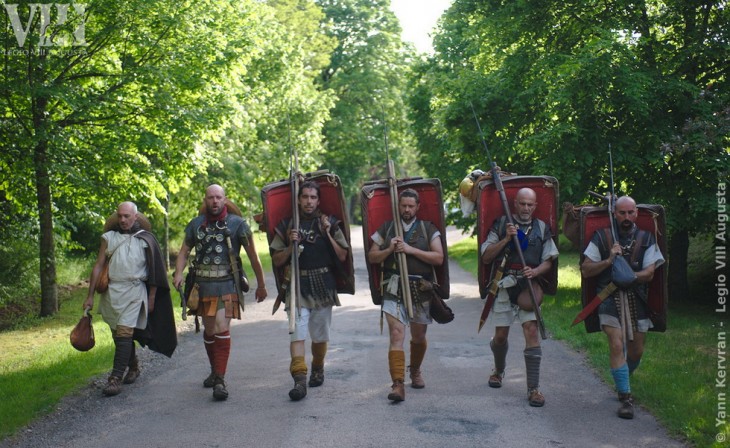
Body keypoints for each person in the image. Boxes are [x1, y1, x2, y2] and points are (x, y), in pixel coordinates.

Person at [173, 184, 267, 401]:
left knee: (221, 327)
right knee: (209, 331)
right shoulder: (196, 225)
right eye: (210, 198)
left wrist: (261, 285)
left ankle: (220, 381)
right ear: (205, 200)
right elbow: (184, 251)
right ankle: (215, 370)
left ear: (225, 199)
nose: (214, 201)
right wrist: (178, 273)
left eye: (218, 197)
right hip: (203, 285)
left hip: (227, 285)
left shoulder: (238, 225)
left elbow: (253, 256)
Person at [580, 196, 664, 419]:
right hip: (608, 297)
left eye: (630, 213)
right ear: (614, 214)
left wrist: (628, 275)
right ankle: (625, 397)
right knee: (617, 345)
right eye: (622, 213)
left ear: (636, 213)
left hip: (637, 298)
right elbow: (586, 269)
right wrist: (609, 260)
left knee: (636, 350)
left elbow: (649, 273)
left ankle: (623, 377)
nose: (626, 217)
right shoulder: (602, 237)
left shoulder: (647, 238)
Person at [84, 201, 176, 397]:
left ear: (135, 217)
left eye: (127, 216)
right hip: (111, 293)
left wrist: (151, 298)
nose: (123, 220)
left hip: (135, 292)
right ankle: (133, 365)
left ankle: (115, 378)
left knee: (125, 332)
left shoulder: (146, 240)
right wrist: (90, 295)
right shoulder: (108, 238)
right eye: (120, 216)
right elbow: (98, 266)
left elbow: (155, 272)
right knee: (119, 336)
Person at [270, 181, 350, 401]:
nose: (308, 201)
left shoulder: (330, 223)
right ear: (298, 199)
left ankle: (317, 366)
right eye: (304, 197)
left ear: (319, 200)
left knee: (320, 337)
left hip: (323, 285)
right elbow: (277, 260)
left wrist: (327, 233)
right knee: (297, 333)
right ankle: (299, 381)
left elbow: (342, 255)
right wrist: (290, 246)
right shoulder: (288, 226)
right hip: (297, 287)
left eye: (313, 197)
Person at [480, 187, 558, 407]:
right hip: (504, 285)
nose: (525, 208)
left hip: (529, 286)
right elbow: (486, 256)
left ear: (535, 206)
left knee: (531, 331)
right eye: (522, 203)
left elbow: (549, 260)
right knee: (501, 337)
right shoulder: (501, 223)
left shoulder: (542, 228)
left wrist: (535, 271)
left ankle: (533, 388)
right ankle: (499, 370)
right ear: (515, 204)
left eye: (530, 204)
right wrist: (506, 239)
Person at [367, 188, 444, 402]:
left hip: (420, 288)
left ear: (418, 207)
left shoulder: (428, 229)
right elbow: (373, 256)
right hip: (394, 286)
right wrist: (389, 249)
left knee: (418, 337)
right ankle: (398, 384)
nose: (407, 209)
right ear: (398, 206)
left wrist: (411, 250)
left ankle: (415, 370)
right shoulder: (388, 228)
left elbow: (438, 258)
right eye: (403, 206)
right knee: (397, 334)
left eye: (411, 206)